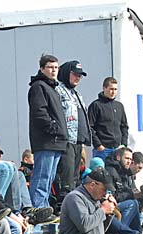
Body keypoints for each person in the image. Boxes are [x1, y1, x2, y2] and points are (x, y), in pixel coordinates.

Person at [27, 54, 68, 209]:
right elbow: (39, 113)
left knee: (49, 177)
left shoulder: (53, 88)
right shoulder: (39, 87)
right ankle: (36, 208)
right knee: (42, 176)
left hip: (56, 141)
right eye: (50, 67)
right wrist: (55, 129)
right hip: (46, 141)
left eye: (56, 67)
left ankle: (43, 207)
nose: (54, 70)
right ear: (41, 69)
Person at [54, 60, 90, 208]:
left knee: (75, 176)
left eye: (80, 76)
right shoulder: (58, 90)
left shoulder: (76, 94)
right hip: (66, 140)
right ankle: (64, 205)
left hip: (78, 141)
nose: (78, 78)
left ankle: (74, 203)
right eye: (75, 74)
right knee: (66, 176)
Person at [88, 77, 129, 162]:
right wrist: (98, 145)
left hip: (118, 149)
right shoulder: (96, 105)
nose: (113, 92)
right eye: (111, 89)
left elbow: (124, 126)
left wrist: (124, 144)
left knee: (117, 174)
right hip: (102, 149)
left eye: (115, 89)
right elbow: (89, 127)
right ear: (104, 88)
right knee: (101, 174)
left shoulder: (119, 106)